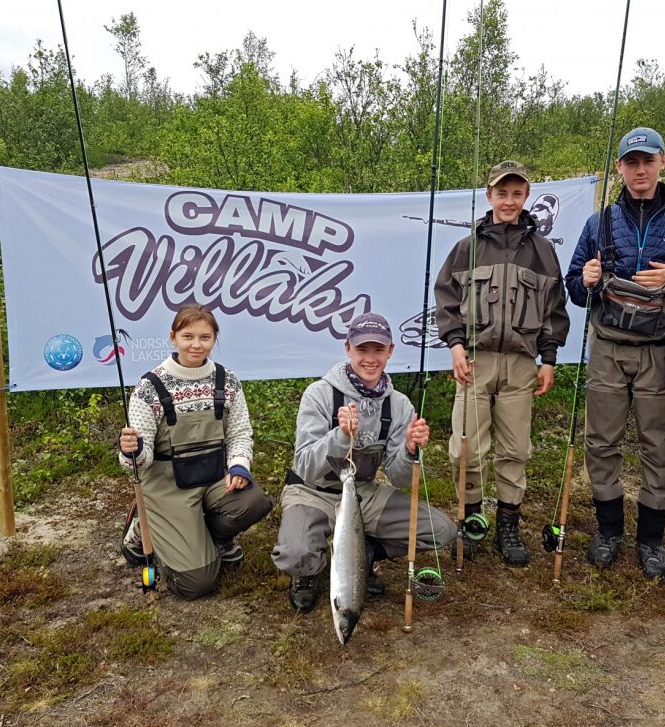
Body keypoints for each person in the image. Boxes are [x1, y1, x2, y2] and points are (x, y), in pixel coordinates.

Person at [565, 127, 665, 579]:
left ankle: (651, 539)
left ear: (664, 161)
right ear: (620, 169)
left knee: (659, 446)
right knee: (601, 442)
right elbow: (573, 289)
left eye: (648, 160)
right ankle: (609, 531)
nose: (640, 169)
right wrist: (586, 279)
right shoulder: (599, 224)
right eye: (632, 162)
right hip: (608, 347)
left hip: (662, 349)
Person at [434, 160, 570, 566]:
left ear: (525, 196)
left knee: (515, 450)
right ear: (489, 195)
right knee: (465, 450)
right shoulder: (467, 246)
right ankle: (472, 518)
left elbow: (555, 310)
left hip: (522, 364)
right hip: (475, 361)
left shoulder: (543, 251)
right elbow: (446, 300)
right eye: (501, 193)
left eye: (516, 193)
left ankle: (508, 523)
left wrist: (548, 359)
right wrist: (456, 346)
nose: (509, 201)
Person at [272, 312, 456, 611]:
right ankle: (308, 573)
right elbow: (304, 465)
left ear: (390, 352)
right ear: (348, 349)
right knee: (295, 555)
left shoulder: (399, 406)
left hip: (362, 495)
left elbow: (399, 479)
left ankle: (362, 554)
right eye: (362, 350)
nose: (370, 359)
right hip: (312, 492)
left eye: (378, 350)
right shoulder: (319, 394)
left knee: (441, 531)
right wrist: (341, 436)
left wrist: (410, 449)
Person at [118, 304, 273, 599]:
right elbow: (139, 461)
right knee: (196, 584)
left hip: (214, 476)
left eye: (205, 337)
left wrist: (239, 466)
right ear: (173, 337)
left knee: (255, 501)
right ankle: (143, 525)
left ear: (214, 339)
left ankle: (216, 537)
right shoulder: (148, 387)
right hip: (168, 486)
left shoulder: (227, 380)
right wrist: (132, 450)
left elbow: (240, 433)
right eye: (188, 336)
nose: (196, 344)